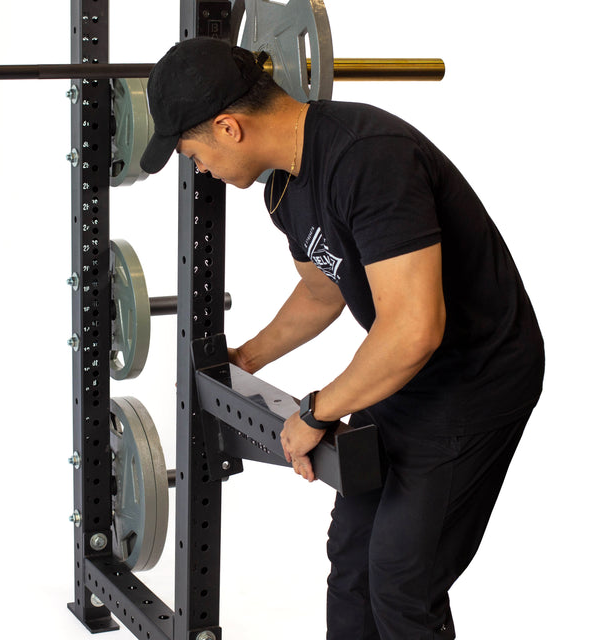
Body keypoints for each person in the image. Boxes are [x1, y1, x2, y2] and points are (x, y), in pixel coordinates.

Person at [140, 37, 545, 640]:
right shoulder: (285, 184)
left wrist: (315, 411)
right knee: (352, 555)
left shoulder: (368, 159)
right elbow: (323, 289)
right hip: (403, 373)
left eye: (191, 151)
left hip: (474, 381)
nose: (197, 167)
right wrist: (245, 358)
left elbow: (414, 329)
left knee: (404, 580)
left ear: (228, 127)